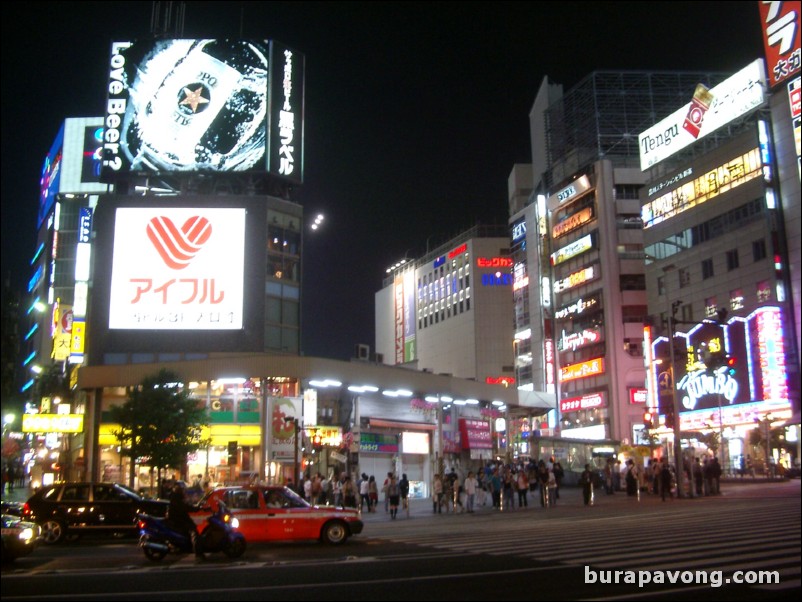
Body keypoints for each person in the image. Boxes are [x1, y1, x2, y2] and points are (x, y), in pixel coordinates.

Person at [168, 483, 203, 559]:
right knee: (195, 531)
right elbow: (186, 508)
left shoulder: (176, 499)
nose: (184, 493)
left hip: (178, 520)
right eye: (183, 491)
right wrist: (197, 509)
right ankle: (198, 553)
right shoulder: (177, 500)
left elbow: (186, 507)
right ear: (180, 492)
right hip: (179, 521)